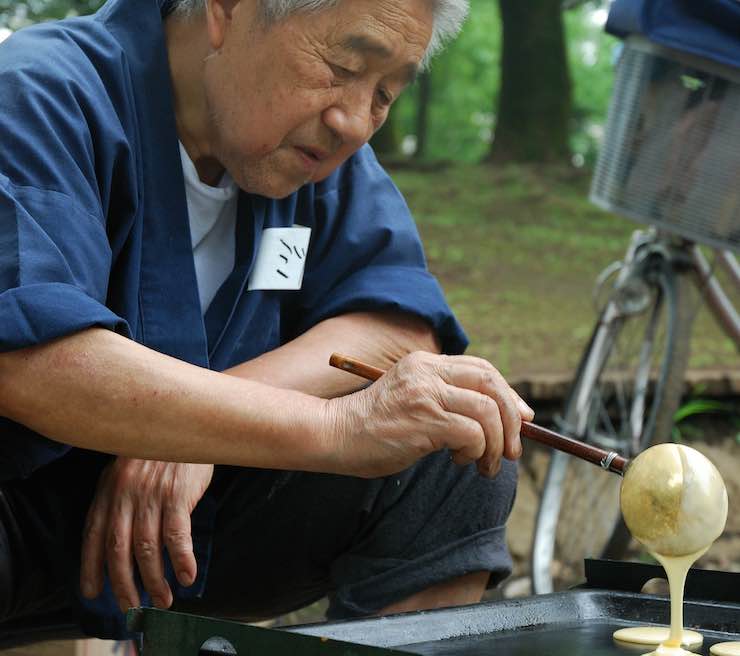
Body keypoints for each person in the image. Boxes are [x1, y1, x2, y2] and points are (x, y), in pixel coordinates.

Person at [0, 0, 534, 641]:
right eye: (342, 67)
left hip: (188, 533)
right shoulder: (40, 92)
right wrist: (332, 427)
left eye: (386, 93)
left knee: (451, 447)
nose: (356, 122)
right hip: (19, 505)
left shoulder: (311, 154)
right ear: (227, 11)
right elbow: (29, 360)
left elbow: (397, 324)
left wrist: (197, 435)